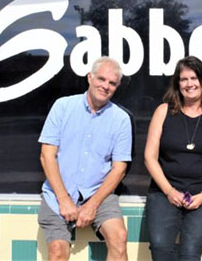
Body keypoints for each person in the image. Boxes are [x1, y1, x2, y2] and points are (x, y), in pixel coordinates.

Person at [37, 56, 132, 261]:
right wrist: (63, 200)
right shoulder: (63, 107)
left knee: (119, 237)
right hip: (58, 193)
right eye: (101, 79)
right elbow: (47, 156)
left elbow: (119, 169)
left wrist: (92, 204)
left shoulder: (121, 119)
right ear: (90, 78)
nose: (105, 86)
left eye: (112, 83)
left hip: (99, 192)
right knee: (57, 250)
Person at [144, 56, 202, 261]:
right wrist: (169, 191)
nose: (189, 84)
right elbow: (150, 157)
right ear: (177, 83)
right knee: (160, 247)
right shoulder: (163, 111)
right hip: (165, 192)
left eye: (194, 78)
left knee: (189, 253)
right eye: (184, 79)